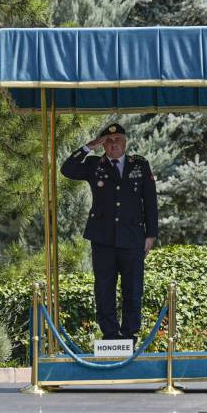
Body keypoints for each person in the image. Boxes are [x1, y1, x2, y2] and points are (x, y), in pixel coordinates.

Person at [60, 123, 158, 343]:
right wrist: (90, 146)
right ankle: (110, 336)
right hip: (102, 238)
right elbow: (67, 169)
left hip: (133, 238)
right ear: (104, 144)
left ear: (125, 142)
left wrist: (150, 234)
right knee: (104, 288)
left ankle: (129, 335)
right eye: (109, 141)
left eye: (118, 140)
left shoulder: (139, 165)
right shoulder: (95, 164)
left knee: (133, 288)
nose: (114, 144)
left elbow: (150, 201)